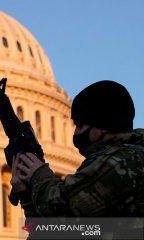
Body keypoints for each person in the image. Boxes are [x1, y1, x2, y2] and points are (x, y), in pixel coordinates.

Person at [11, 80, 144, 217]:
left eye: (80, 125)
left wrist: (38, 174)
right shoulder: (127, 156)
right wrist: (26, 197)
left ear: (102, 126)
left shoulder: (121, 161)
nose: (75, 133)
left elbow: (61, 212)